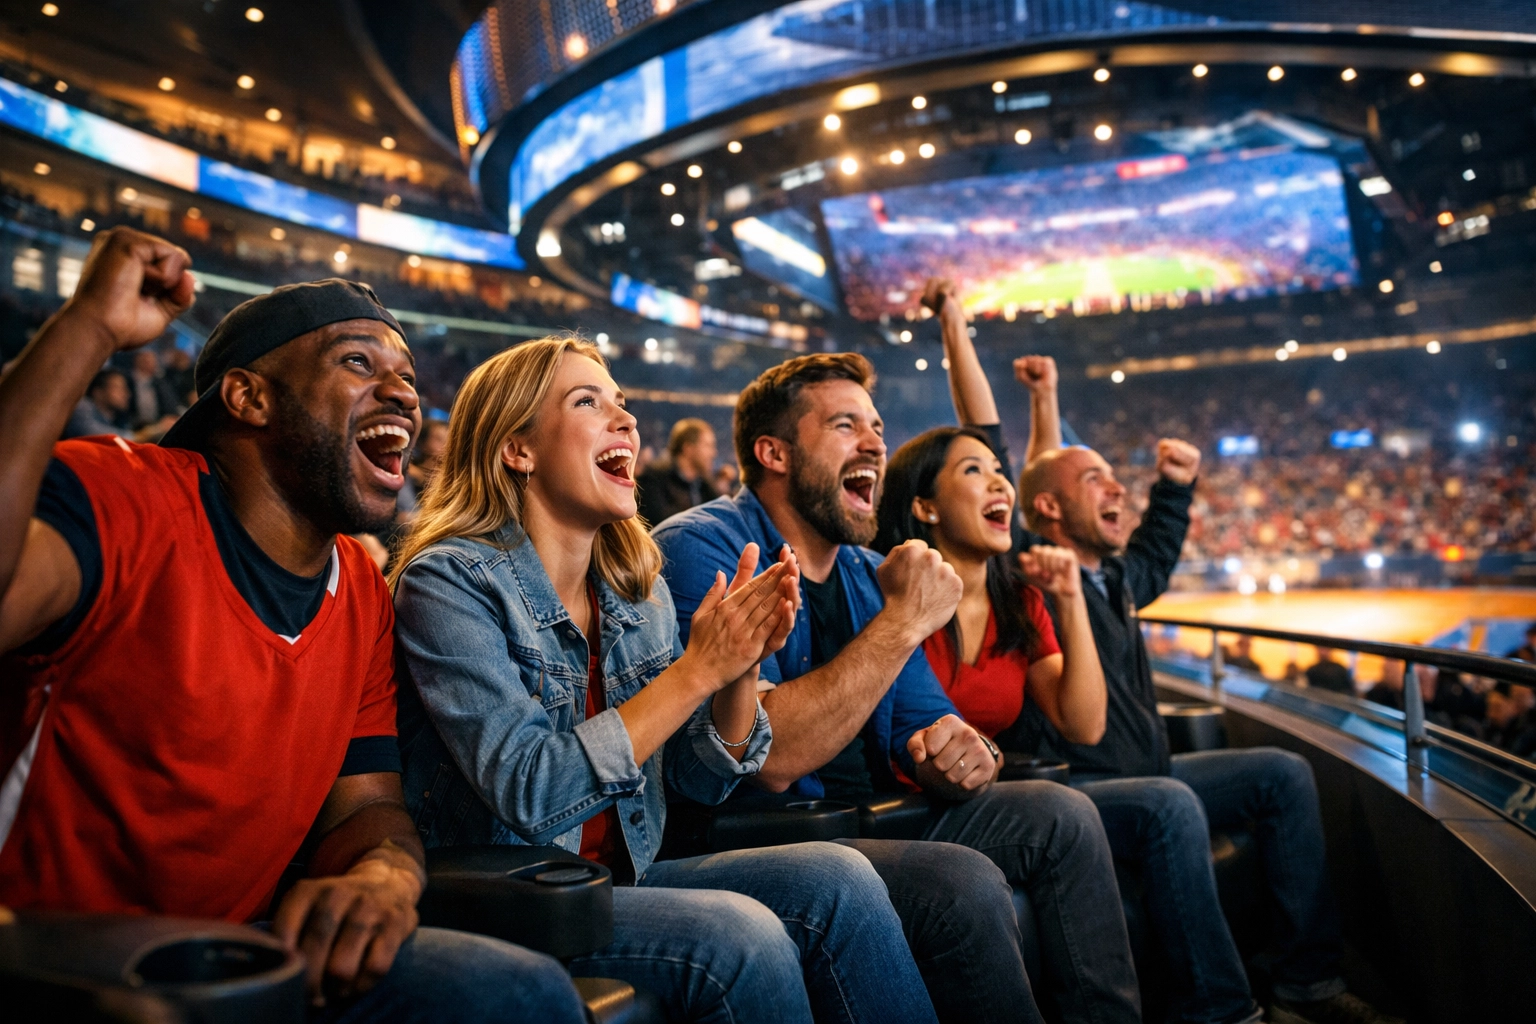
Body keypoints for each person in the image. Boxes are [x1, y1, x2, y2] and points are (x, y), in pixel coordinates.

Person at [0, 227, 587, 1024]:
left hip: (252, 953)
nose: (403, 394)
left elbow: (364, 808)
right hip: (56, 961)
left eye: (407, 377)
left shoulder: (362, 591)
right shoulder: (124, 497)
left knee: (519, 992)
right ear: (250, 398)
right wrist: (86, 328)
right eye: (358, 363)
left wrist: (382, 875)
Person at [390, 336, 938, 1024]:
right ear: (517, 449)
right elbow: (531, 790)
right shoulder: (448, 583)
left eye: (621, 402)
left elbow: (695, 779)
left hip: (626, 876)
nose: (625, 419)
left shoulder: (635, 588)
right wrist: (698, 669)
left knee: (841, 876)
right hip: (520, 897)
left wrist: (738, 671)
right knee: (742, 937)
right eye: (588, 403)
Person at [925, 272, 1398, 1024]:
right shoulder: (1032, 572)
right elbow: (1008, 458)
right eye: (1099, 480)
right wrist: (956, 321)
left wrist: (1172, 486)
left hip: (1147, 768)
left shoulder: (1118, 578)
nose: (1119, 489)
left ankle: (1306, 981)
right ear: (1044, 513)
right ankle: (1220, 1011)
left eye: (1118, 479)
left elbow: (1137, 529)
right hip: (1081, 781)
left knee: (1281, 773)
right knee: (1170, 802)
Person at [654, 351, 1142, 1024]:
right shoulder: (704, 548)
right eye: (846, 425)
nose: (875, 443)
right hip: (766, 835)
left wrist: (968, 755)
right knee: (957, 882)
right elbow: (770, 755)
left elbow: (930, 722)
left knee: (1061, 814)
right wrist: (903, 621)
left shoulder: (867, 570)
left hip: (875, 816)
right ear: (774, 453)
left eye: (877, 427)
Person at [637, 417, 719, 526]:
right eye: (708, 446)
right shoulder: (654, 479)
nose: (713, 453)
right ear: (688, 448)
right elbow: (659, 520)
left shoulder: (703, 485)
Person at [127, 346, 182, 428]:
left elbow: (171, 405)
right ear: (138, 361)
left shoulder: (161, 382)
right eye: (147, 360)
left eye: (153, 360)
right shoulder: (128, 381)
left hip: (159, 425)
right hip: (134, 426)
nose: (153, 364)